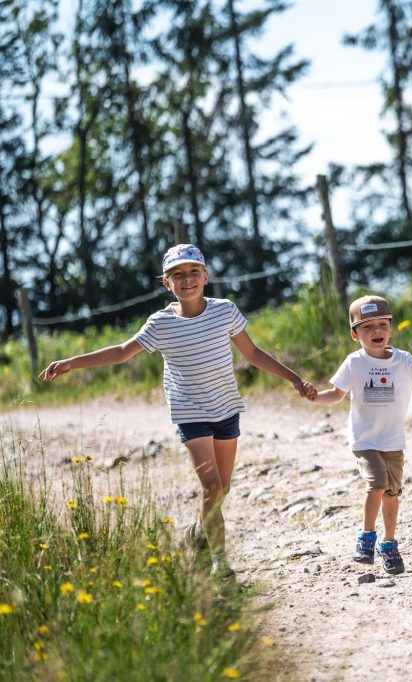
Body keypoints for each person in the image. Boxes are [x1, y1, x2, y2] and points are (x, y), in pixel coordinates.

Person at [38, 243, 316, 581]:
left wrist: (294, 379)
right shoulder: (160, 324)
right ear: (166, 283)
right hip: (190, 411)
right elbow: (123, 351)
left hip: (226, 407)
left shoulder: (225, 311)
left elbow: (253, 353)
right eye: (178, 275)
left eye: (193, 272)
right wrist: (72, 362)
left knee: (223, 488)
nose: (187, 280)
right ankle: (219, 563)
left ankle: (197, 533)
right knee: (211, 487)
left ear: (206, 276)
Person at [308, 294, 412, 575]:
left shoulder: (403, 361)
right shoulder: (354, 363)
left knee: (392, 493)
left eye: (382, 324)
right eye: (367, 327)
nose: (376, 331)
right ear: (355, 334)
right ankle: (367, 537)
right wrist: (315, 397)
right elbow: (336, 394)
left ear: (390, 329)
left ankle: (389, 544)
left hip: (393, 442)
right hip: (365, 441)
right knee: (376, 483)